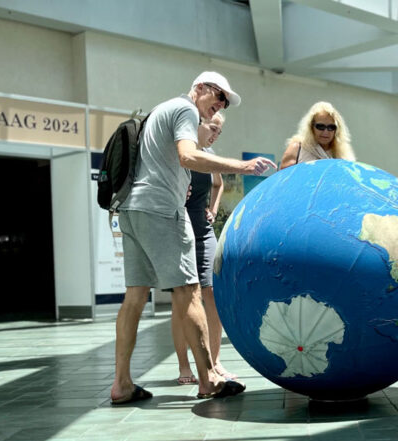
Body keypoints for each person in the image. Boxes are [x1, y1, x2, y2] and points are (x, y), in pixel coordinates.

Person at [110, 71, 277, 405]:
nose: (220, 105)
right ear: (199, 88)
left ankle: (121, 384)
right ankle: (209, 378)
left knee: (135, 296)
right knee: (189, 291)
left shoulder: (161, 110)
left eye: (225, 102)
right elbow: (188, 155)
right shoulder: (185, 110)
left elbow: (168, 161)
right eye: (218, 96)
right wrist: (242, 167)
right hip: (159, 210)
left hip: (132, 208)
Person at [171, 112, 237, 385]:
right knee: (182, 301)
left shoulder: (208, 154)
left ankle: (215, 361)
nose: (215, 134)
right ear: (197, 124)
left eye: (219, 131)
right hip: (177, 232)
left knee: (212, 294)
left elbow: (219, 183)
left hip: (204, 230)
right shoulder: (180, 152)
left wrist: (213, 208)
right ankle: (184, 367)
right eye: (213, 127)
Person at [279, 101, 355, 170]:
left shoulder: (343, 154)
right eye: (320, 127)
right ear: (311, 127)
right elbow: (282, 180)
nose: (326, 132)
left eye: (331, 127)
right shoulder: (297, 148)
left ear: (337, 130)